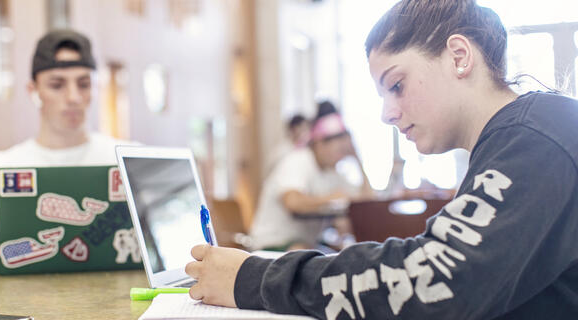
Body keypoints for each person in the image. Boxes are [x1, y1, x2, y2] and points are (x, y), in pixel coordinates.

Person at [185, 0, 578, 319]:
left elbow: (432, 278)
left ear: (459, 56)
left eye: (397, 85)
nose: (386, 114)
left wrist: (252, 277)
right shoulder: (520, 137)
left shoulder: (536, 136)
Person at [0, 29, 132, 264]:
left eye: (83, 84)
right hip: (26, 299)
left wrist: (32, 246)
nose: (73, 97)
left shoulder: (129, 158)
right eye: (57, 85)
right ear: (34, 91)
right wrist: (47, 248)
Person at [249, 101, 375, 251]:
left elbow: (367, 202)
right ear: (319, 143)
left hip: (306, 245)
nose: (342, 154)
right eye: (338, 148)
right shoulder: (298, 160)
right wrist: (331, 198)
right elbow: (292, 201)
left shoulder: (332, 172)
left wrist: (358, 160)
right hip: (273, 244)